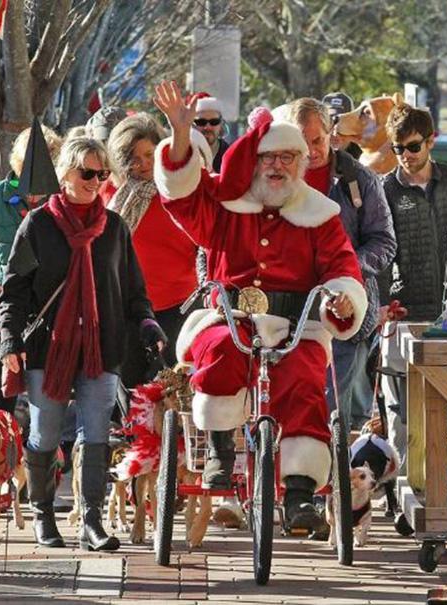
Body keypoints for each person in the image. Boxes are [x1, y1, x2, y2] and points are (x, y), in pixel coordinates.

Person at [153, 81, 368, 531]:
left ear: (302, 164)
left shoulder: (321, 214)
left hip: (295, 327)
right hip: (231, 318)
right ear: (255, 161)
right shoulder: (229, 205)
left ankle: (301, 493)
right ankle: (218, 448)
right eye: (268, 157)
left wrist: (343, 297)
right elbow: (183, 197)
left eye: (286, 158)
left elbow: (342, 267)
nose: (275, 167)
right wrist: (179, 134)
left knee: (306, 377)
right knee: (218, 352)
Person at [0, 136, 165, 550]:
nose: (95, 181)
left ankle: (92, 521)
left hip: (100, 347)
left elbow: (133, 290)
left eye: (102, 173)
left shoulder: (113, 228)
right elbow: (14, 291)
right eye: (87, 172)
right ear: (65, 174)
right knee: (46, 433)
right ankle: (43, 514)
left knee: (96, 434)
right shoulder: (37, 224)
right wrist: (8, 340)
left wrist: (146, 323)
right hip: (46, 349)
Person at [279, 98, 396, 432]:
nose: (312, 150)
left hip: (346, 310)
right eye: (302, 142)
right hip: (289, 312)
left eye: (317, 140)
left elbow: (384, 242)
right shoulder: (276, 177)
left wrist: (344, 272)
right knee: (294, 408)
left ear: (331, 134)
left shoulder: (358, 179)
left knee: (336, 414)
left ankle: (338, 480)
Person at [379, 103, 447, 467]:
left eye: (413, 146)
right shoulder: (385, 190)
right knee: (403, 406)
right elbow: (379, 251)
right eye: (397, 148)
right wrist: (382, 303)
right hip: (405, 307)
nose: (405, 156)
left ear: (431, 141)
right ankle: (404, 483)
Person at [0, 126, 62, 413]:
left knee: (50, 387)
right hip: (3, 310)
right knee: (2, 390)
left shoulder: (62, 202)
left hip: (49, 311)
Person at [106, 114, 203, 387]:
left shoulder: (179, 192)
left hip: (180, 304)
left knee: (178, 388)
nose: (144, 164)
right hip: (131, 308)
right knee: (132, 388)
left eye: (149, 154)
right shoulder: (114, 197)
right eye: (134, 159)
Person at [191, 93, 231, 172]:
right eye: (201, 122)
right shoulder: (183, 152)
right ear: (192, 124)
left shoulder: (230, 154)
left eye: (214, 122)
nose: (207, 127)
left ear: (221, 124)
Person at [322, 92, 362, 159]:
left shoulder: (365, 158)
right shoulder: (308, 159)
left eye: (342, 122)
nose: (335, 130)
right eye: (330, 122)